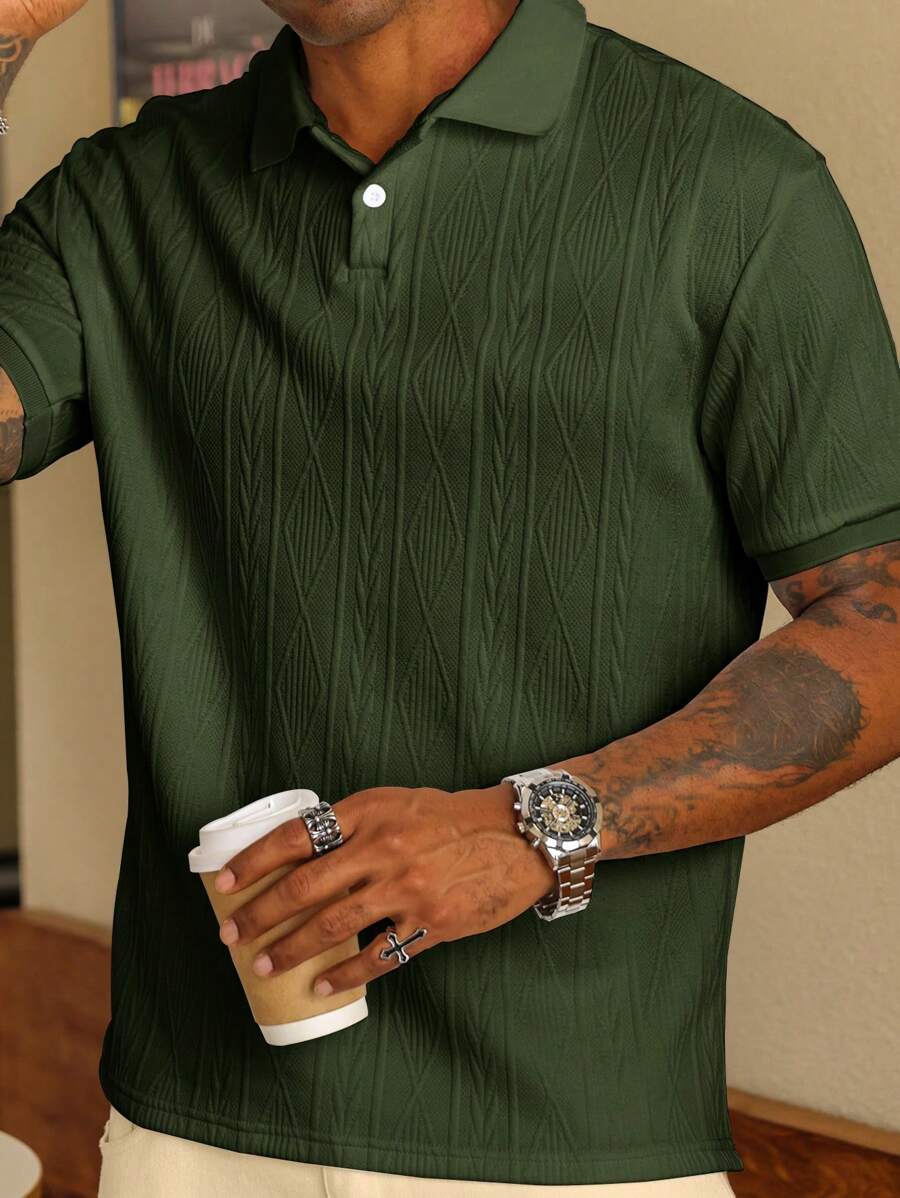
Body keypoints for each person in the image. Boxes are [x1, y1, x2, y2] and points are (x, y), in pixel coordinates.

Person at [1, 0, 898, 1194]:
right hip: (189, 1133)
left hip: (571, 1145)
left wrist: (538, 824)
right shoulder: (124, 194)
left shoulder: (732, 184)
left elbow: (883, 626)